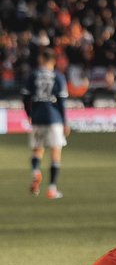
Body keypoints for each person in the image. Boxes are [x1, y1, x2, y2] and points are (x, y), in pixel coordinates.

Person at [23, 47, 69, 199]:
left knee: (38, 149)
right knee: (55, 152)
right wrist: (65, 122)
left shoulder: (33, 76)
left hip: (37, 117)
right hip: (54, 117)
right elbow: (62, 101)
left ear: (41, 60)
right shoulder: (58, 76)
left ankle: (36, 172)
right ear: (54, 61)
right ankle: (52, 189)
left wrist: (29, 114)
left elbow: (25, 98)